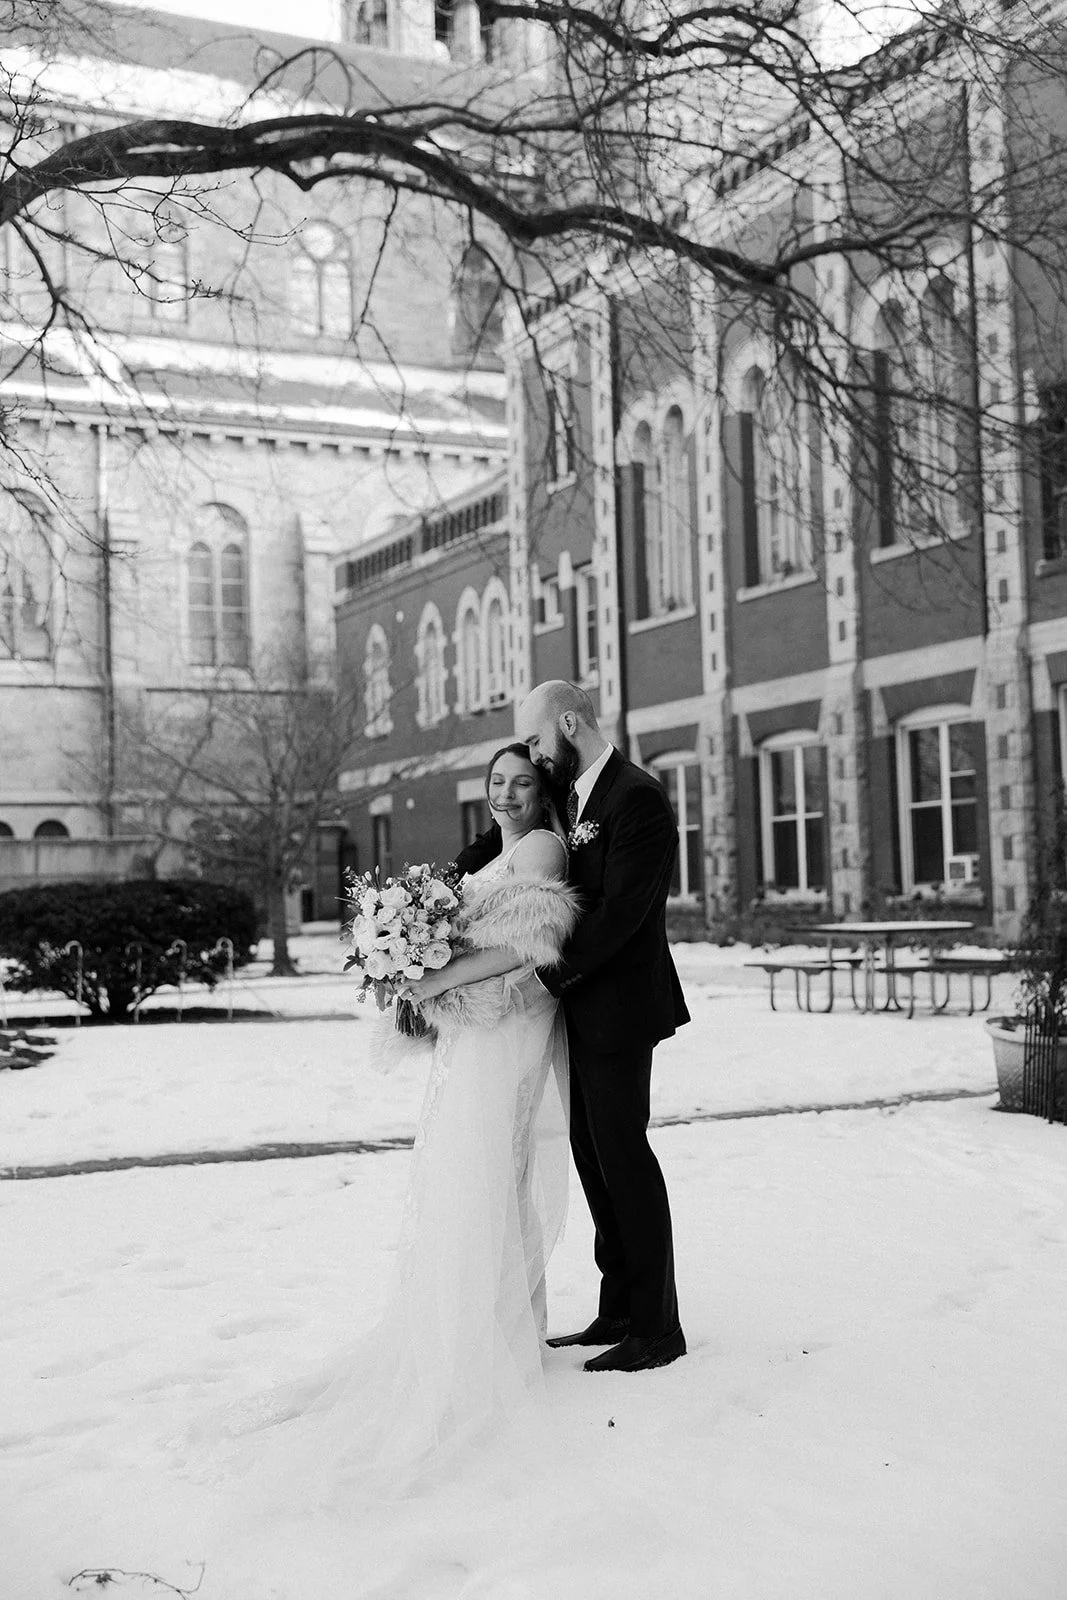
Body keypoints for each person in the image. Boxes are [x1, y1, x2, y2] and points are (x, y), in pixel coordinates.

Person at [192, 744, 579, 1517]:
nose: (505, 795)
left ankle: (496, 1339)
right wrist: (404, 949)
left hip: (506, 1024)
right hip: (475, 1026)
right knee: (473, 1173)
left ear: (543, 793)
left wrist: (430, 975)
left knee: (488, 1172)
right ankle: (494, 1330)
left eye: (520, 784)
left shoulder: (539, 847)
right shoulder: (498, 850)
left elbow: (523, 944)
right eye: (497, 783)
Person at [513, 679, 691, 1374]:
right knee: (594, 1160)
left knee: (625, 1161)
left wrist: (543, 975)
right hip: (583, 1012)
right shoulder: (573, 797)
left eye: (534, 740)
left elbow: (622, 915)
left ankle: (657, 1327)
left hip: (620, 1010)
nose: (532, 755)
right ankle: (617, 1308)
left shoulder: (635, 797)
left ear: (568, 722)